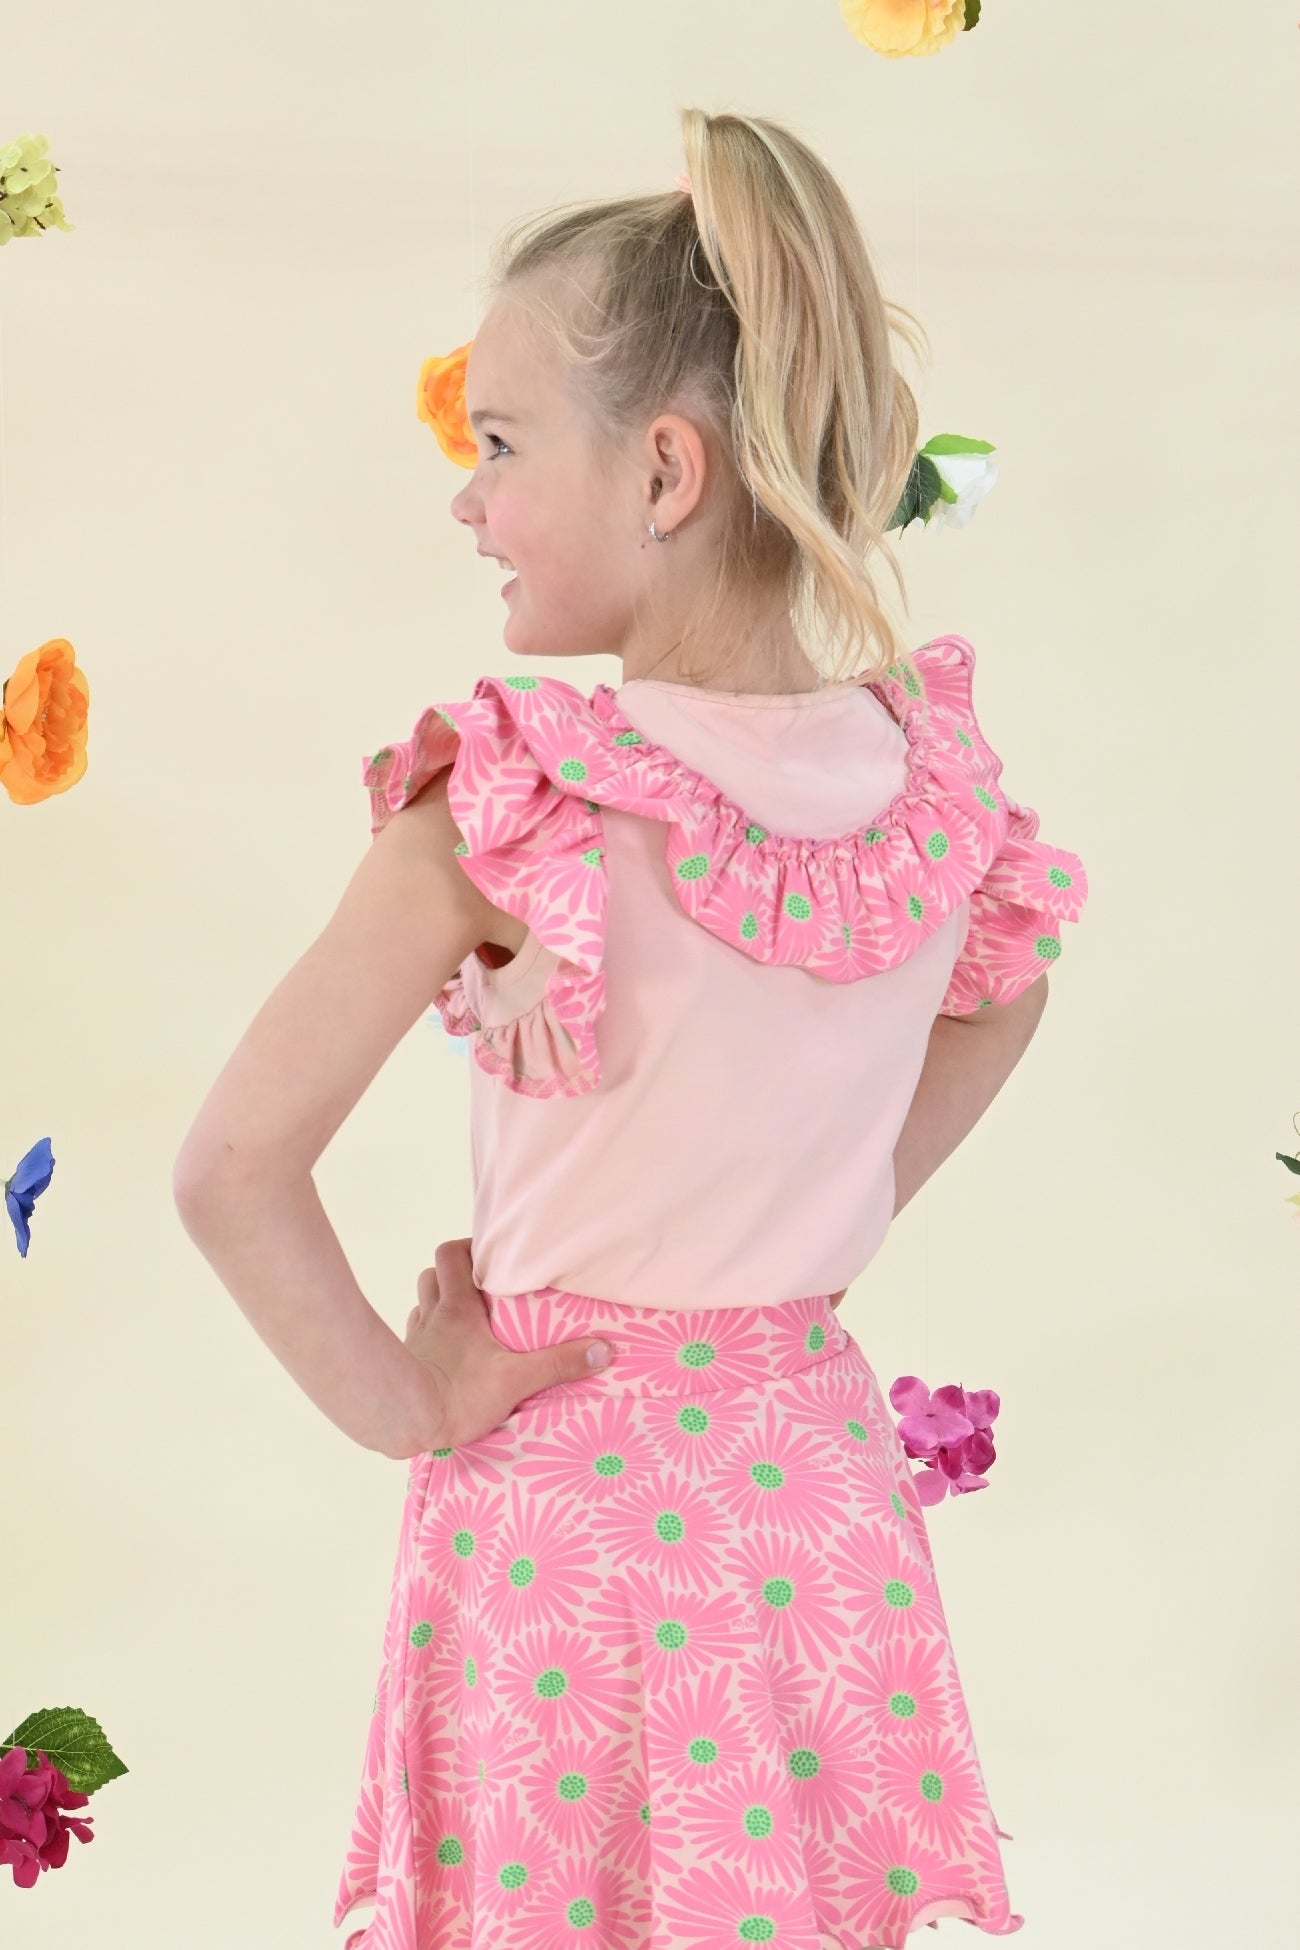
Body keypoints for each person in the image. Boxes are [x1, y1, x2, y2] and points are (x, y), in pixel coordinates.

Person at [331, 108, 1088, 1950]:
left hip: (563, 1532)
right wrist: (826, 1198)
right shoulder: (922, 782)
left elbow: (227, 1169)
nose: (468, 499)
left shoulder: (516, 801)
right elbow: (1009, 989)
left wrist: (411, 1398)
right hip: (810, 1499)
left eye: (498, 443)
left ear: (665, 468)